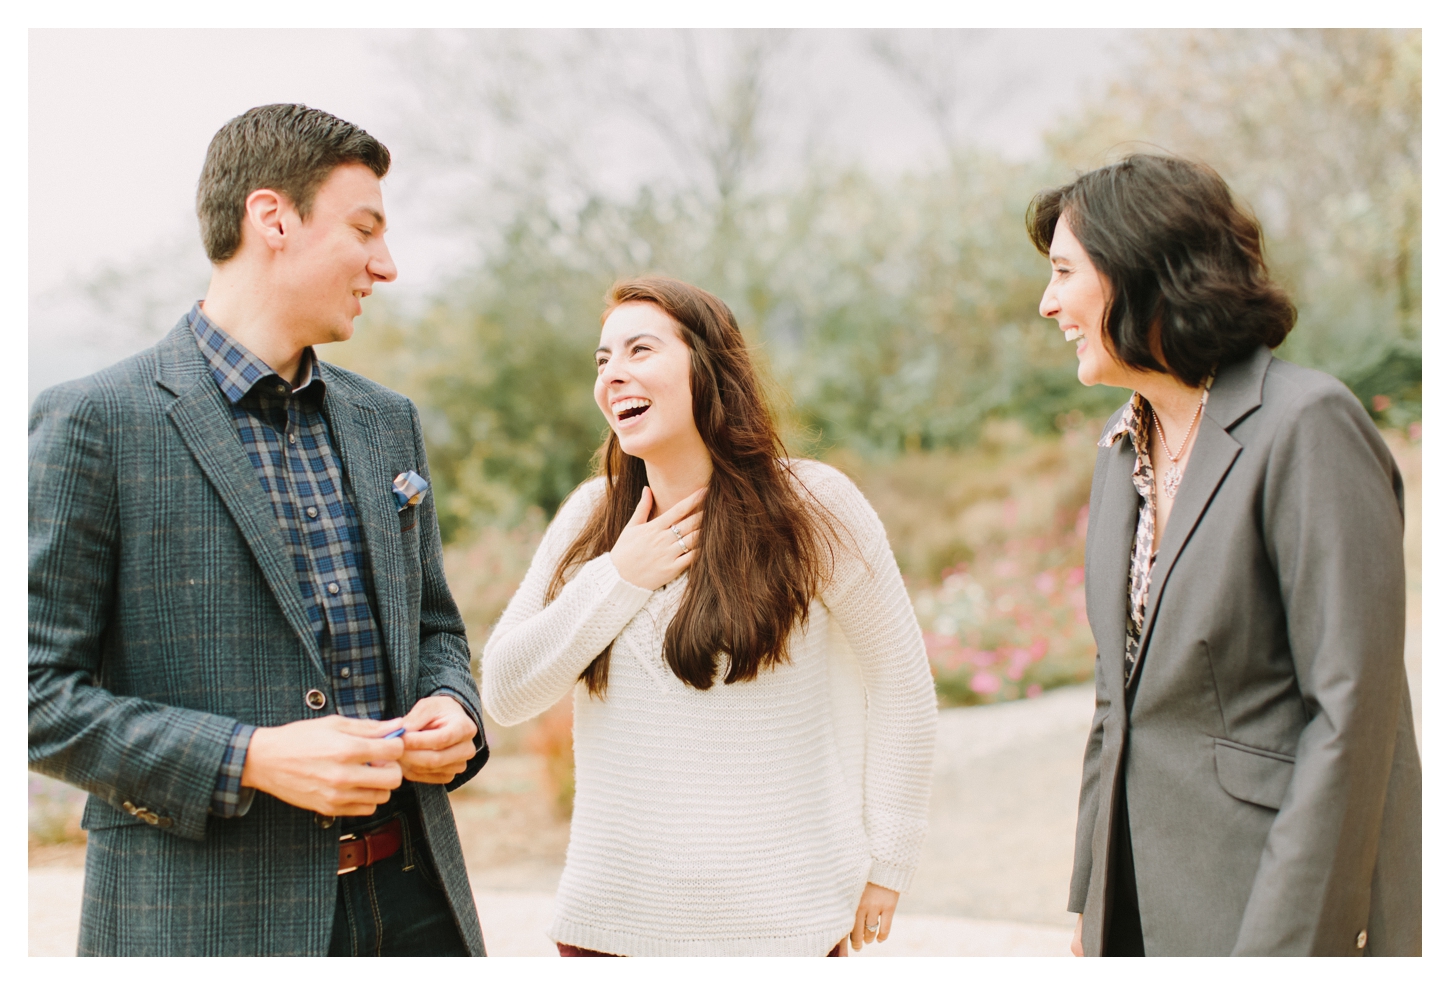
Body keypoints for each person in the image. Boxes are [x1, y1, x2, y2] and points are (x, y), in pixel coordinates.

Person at [29, 104, 490, 956]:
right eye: (365, 229)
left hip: (415, 906)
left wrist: (451, 705)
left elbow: (435, 627)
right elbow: (33, 695)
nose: (385, 265)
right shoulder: (96, 420)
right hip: (205, 927)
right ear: (272, 218)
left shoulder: (389, 422)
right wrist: (249, 756)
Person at [1028, 154, 1421, 956]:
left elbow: (1351, 715)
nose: (1047, 303)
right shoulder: (1118, 450)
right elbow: (1118, 702)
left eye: (1065, 272)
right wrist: (1092, 902)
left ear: (1141, 268)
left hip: (1270, 906)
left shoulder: (1307, 425)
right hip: (1137, 913)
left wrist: (1283, 946)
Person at [480, 277, 938, 956]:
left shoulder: (815, 506)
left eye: (640, 349)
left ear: (709, 365)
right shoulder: (589, 518)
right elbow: (506, 691)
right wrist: (619, 575)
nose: (615, 375)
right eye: (602, 360)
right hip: (609, 929)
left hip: (781, 927)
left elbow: (904, 689)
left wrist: (889, 862)